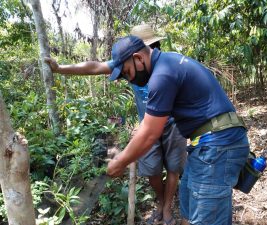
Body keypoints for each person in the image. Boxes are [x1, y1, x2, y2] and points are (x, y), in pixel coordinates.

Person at [45, 24, 187, 225]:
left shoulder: (167, 64)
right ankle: (160, 200)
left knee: (173, 167)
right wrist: (60, 69)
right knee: (152, 170)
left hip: (173, 124)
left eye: (154, 45)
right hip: (147, 126)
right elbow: (94, 67)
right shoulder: (128, 61)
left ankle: (167, 207)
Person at [106, 35, 250, 225]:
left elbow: (149, 133)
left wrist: (120, 161)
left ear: (139, 58)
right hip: (207, 145)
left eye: (128, 72)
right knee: (188, 209)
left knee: (207, 218)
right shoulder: (168, 61)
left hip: (218, 146)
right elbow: (97, 67)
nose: (129, 78)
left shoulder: (162, 75)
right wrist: (61, 69)